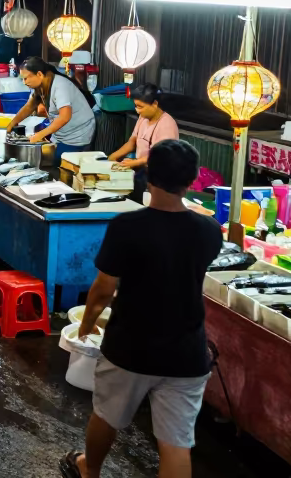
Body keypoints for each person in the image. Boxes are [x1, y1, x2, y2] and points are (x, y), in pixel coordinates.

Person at [60, 140, 221, 478]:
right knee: (176, 443)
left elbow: (103, 289)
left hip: (131, 345)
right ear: (191, 180)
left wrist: (87, 324)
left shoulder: (127, 226)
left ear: (148, 176)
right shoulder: (208, 230)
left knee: (106, 415)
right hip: (187, 350)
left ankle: (89, 470)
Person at [7, 56, 97, 160]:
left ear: (39, 74)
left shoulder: (60, 86)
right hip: (61, 134)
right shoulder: (39, 86)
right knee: (46, 158)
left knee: (57, 161)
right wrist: (11, 124)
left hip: (78, 134)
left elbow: (65, 117)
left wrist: (40, 135)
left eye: (26, 78)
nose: (24, 82)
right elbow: (29, 107)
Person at [108, 83, 179, 171]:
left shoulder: (167, 125)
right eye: (136, 106)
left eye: (140, 107)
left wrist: (134, 163)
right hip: (142, 168)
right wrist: (111, 157)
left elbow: (160, 156)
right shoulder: (143, 117)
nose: (137, 111)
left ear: (154, 104)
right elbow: (132, 143)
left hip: (159, 173)